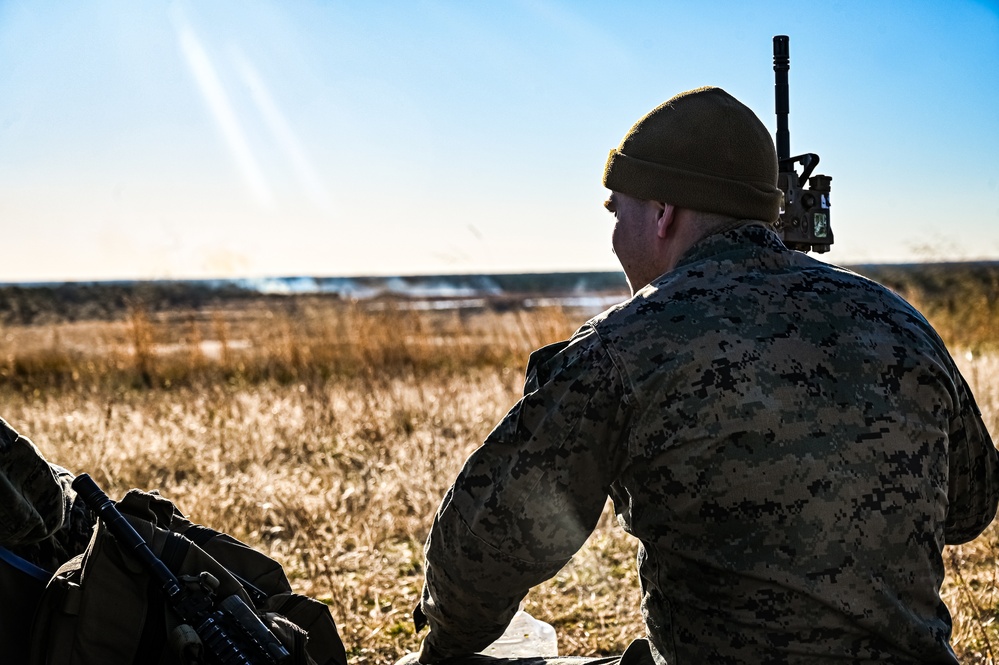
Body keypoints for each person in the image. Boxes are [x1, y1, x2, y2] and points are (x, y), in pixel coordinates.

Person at [396, 86, 999, 664]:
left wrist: (445, 646)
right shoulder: (897, 321)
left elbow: (482, 552)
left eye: (617, 211)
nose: (612, 239)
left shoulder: (625, 345)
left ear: (663, 213)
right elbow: (971, 508)